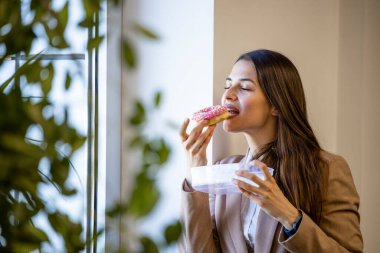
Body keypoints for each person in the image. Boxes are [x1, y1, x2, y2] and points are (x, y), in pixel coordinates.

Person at [178, 49, 363, 253]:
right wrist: (194, 175)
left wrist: (288, 215)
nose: (227, 95)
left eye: (245, 88)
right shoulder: (223, 169)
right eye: (228, 85)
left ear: (276, 104)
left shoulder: (327, 169)